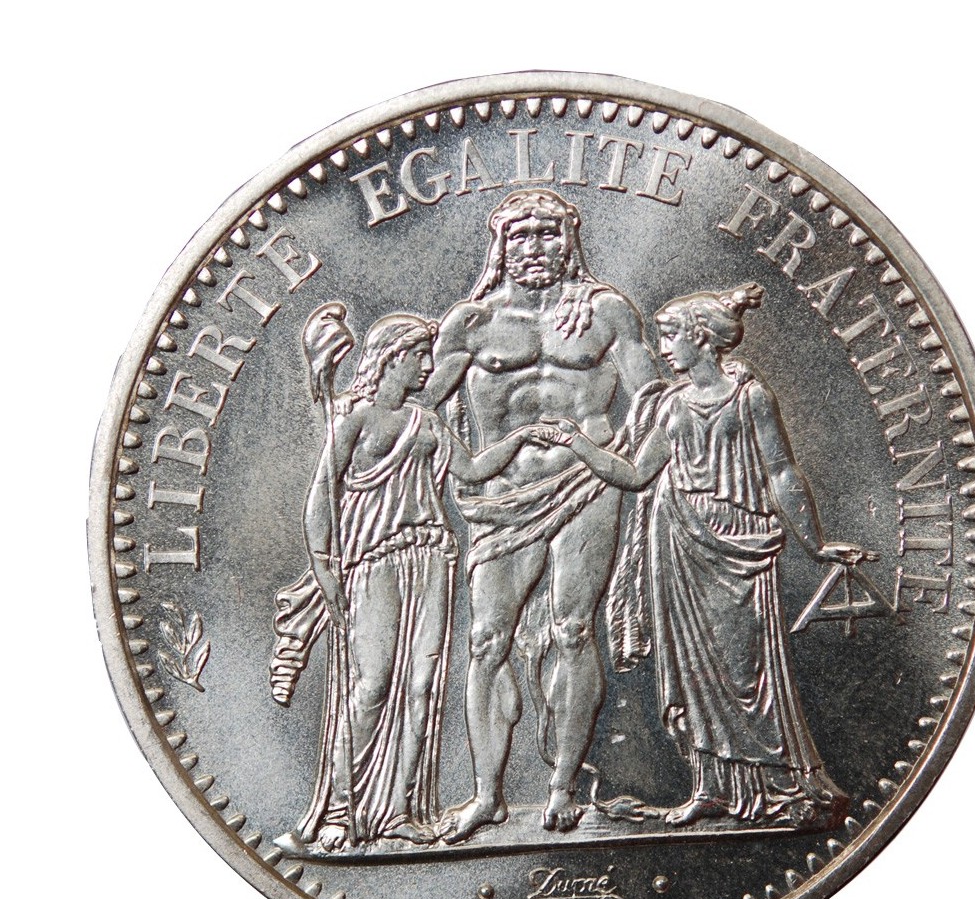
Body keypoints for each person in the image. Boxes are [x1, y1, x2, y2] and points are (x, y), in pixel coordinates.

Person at [533, 284, 854, 830]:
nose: (663, 348)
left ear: (702, 338)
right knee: (692, 671)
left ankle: (781, 784)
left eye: (671, 336)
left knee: (748, 670)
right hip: (680, 540)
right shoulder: (672, 405)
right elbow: (636, 474)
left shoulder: (750, 396)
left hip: (740, 541)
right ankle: (711, 787)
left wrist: (815, 544)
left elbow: (782, 472)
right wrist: (578, 445)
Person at [420, 189, 661, 840]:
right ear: (501, 246)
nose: (535, 247)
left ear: (569, 241)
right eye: (521, 235)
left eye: (548, 233)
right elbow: (422, 408)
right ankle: (486, 796)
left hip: (587, 483)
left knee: (574, 629)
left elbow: (652, 400)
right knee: (487, 639)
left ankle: (561, 789)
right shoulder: (471, 323)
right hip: (501, 495)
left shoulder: (606, 311)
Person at [271, 312, 542, 851]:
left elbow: (471, 470)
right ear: (393, 357)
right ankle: (341, 810)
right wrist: (323, 565)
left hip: (428, 557)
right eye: (420, 356)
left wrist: (523, 438)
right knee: (371, 685)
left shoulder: (426, 421)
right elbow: (322, 494)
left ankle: (399, 809)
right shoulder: (353, 417)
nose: (427, 366)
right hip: (372, 561)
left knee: (421, 687)